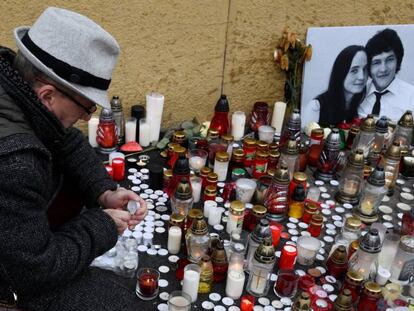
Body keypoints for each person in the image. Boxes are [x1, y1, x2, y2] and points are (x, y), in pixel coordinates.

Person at [0, 7, 148, 311]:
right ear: (47, 95)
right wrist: (103, 225)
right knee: (121, 301)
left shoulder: (15, 84)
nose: (86, 115)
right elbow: (35, 271)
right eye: (86, 106)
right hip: (12, 279)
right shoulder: (15, 162)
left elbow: (67, 142)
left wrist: (104, 191)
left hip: (23, 238)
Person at [302, 45, 368, 128]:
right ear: (341, 72)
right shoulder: (316, 107)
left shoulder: (362, 109)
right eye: (354, 70)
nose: (361, 77)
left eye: (365, 69)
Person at [358, 28, 414, 122]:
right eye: (376, 62)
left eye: (390, 60)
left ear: (397, 61)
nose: (383, 69)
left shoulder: (412, 97)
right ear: (369, 66)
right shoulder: (358, 93)